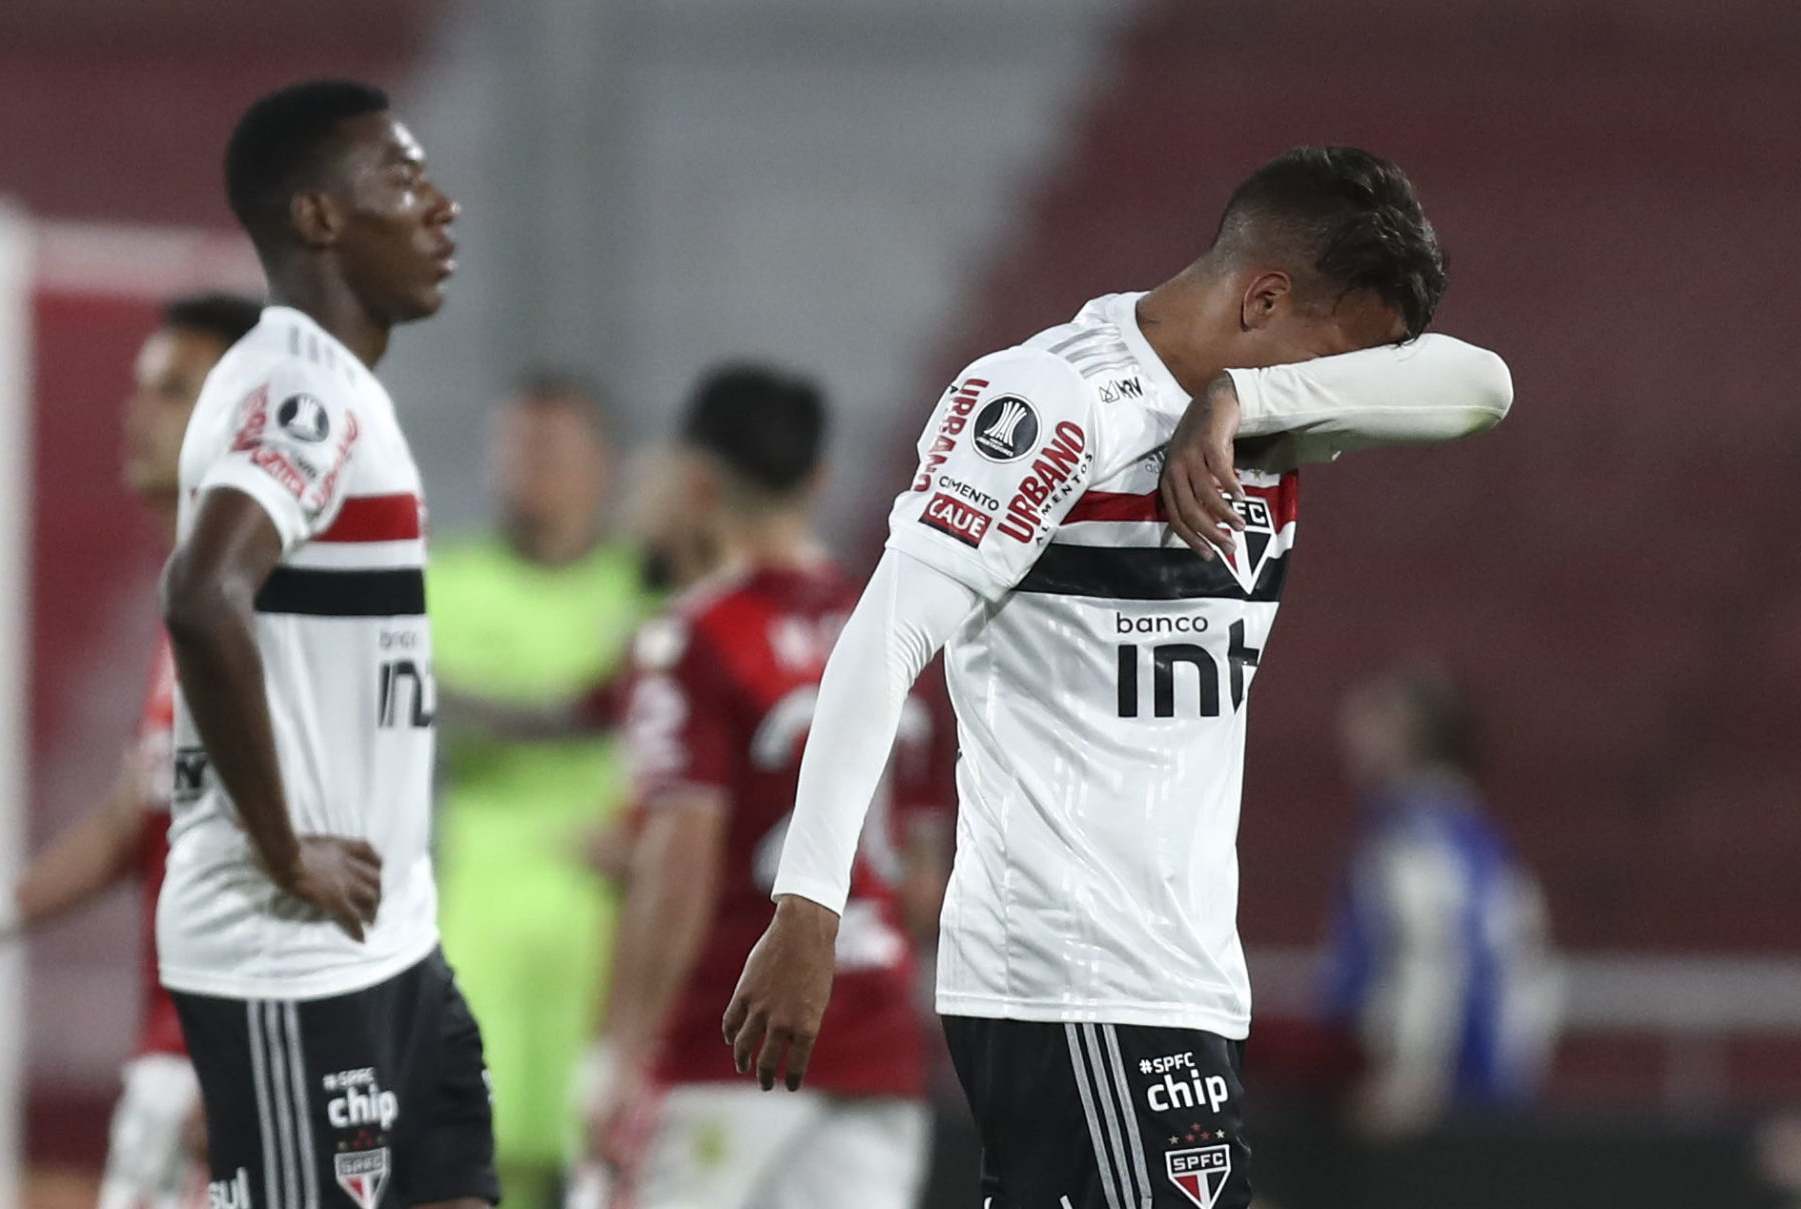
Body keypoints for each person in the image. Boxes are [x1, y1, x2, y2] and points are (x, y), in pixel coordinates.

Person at [723, 146, 1516, 1209]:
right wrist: (808, 907)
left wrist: (1242, 389)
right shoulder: (1050, 401)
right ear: (1264, 295)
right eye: (1341, 358)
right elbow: (883, 640)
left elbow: (1483, 386)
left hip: (1177, 976)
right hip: (1071, 974)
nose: (1346, 394)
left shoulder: (1270, 412)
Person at [156, 80, 495, 1209]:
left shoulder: (336, 387)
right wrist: (284, 845)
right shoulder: (296, 388)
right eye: (402, 179)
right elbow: (204, 596)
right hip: (288, 955)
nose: (440, 207)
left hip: (393, 947)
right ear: (316, 219)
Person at [0, 291, 263, 1209]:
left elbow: (332, 839)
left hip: (239, 1059)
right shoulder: (196, 603)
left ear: (248, 414)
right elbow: (141, 810)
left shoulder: (273, 610)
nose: (138, 412)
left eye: (172, 390)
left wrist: (251, 1052)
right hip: (181, 1050)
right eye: (141, 388)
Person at [577, 365, 950, 1209]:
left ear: (696, 481)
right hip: (877, 1050)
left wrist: (628, 1053)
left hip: (725, 1048)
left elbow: (679, 865)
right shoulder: (892, 631)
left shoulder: (695, 637)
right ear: (817, 479)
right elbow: (924, 882)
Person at [422, 375, 653, 1209]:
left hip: (612, 916)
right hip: (483, 907)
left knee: (614, 1151)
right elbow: (424, 699)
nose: (528, 469)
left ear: (603, 468)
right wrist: (578, 708)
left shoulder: (645, 592)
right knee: (488, 1156)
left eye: (551, 449)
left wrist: (501, 707)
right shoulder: (446, 581)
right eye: (512, 449)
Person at [1323, 661, 1558, 1139]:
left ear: (1408, 733)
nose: (1354, 730)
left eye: (1375, 717)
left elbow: (1433, 953)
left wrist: (1414, 1076)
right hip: (1481, 1084)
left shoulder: (1419, 837)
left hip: (1445, 1093)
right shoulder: (1472, 834)